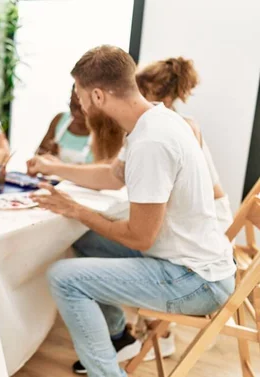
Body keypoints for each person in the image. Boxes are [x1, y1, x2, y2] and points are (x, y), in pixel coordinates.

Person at [28, 45, 235, 377]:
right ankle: (118, 337)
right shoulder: (152, 119)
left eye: (79, 94)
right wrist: (51, 167)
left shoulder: (152, 142)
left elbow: (139, 237)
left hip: (195, 280)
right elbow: (112, 176)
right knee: (86, 239)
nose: (77, 102)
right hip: (194, 261)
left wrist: (77, 209)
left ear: (97, 95)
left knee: (63, 278)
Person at [134, 56, 233, 360]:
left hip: (210, 219)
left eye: (141, 93)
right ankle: (150, 329)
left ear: (158, 95)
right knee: (139, 233)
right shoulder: (170, 126)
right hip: (206, 213)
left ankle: (159, 333)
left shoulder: (177, 128)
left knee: (143, 240)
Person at [137, 57, 232, 231]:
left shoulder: (183, 128)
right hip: (196, 219)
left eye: (143, 93)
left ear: (164, 100)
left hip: (211, 225)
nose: (137, 99)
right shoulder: (165, 126)